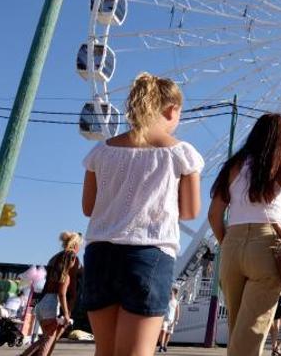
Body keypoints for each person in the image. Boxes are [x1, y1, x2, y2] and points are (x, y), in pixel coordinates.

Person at [82, 72, 203, 356]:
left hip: (99, 254)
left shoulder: (100, 152)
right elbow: (190, 211)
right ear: (172, 110)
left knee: (105, 351)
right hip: (149, 254)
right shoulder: (180, 153)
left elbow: (89, 208)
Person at [208, 113, 281, 356]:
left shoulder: (233, 166)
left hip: (232, 244)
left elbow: (214, 214)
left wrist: (227, 243)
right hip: (267, 244)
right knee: (250, 335)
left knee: (238, 331)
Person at [19, 232, 82, 356]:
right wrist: (66, 314)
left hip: (42, 303)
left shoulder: (54, 264)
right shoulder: (66, 277)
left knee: (45, 339)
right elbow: (61, 294)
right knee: (47, 342)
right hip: (51, 305)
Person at [158, 287, 180, 353]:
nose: (170, 294)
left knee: (168, 333)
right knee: (163, 331)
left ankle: (165, 346)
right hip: (164, 319)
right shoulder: (165, 300)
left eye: (171, 293)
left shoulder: (176, 302)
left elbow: (177, 312)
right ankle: (161, 346)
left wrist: (176, 320)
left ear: (174, 294)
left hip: (171, 320)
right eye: (169, 293)